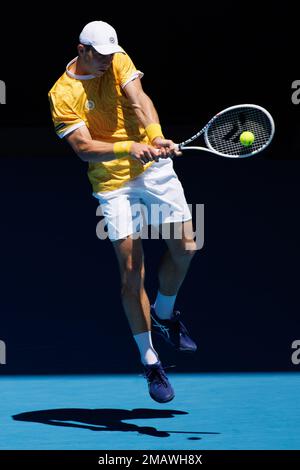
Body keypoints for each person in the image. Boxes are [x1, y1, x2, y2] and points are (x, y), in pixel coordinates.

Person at [48, 20, 198, 403]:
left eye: (111, 54)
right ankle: (150, 361)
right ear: (81, 50)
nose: (107, 62)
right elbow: (83, 147)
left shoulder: (115, 59)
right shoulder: (62, 94)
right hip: (112, 184)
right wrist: (126, 148)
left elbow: (139, 99)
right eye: (99, 55)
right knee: (132, 272)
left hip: (153, 167)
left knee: (186, 246)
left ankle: (164, 315)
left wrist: (154, 135)